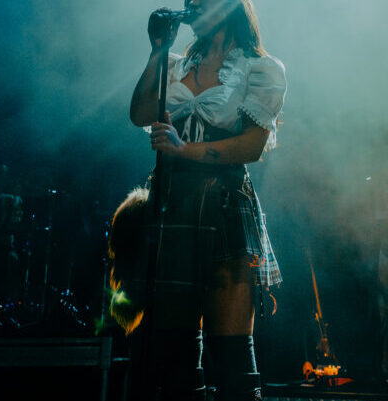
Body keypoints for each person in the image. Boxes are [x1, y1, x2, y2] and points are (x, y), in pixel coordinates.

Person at [122, 0, 287, 400]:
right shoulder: (175, 66)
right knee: (175, 357)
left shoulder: (260, 69)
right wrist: (157, 51)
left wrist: (184, 149)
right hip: (173, 206)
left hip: (224, 205)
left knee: (232, 358)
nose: (192, 5)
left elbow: (252, 146)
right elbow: (140, 113)